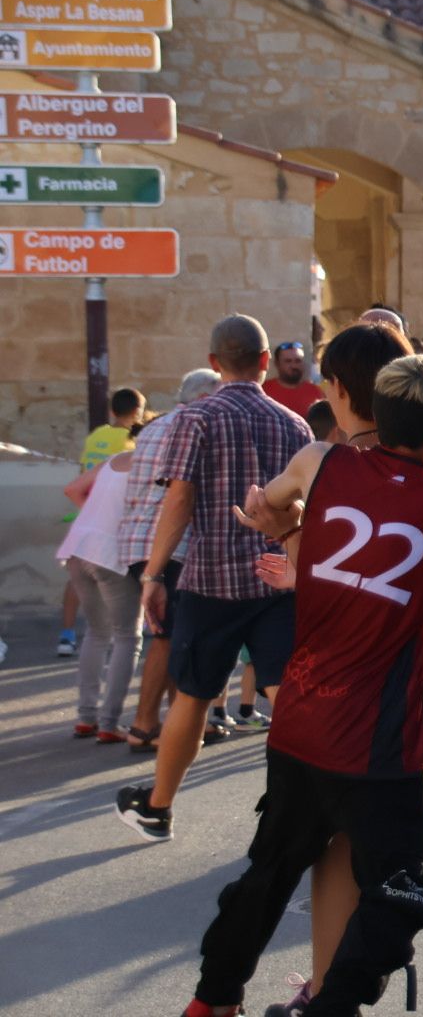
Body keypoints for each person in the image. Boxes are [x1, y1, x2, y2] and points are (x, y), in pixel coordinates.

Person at [176, 354, 423, 1017]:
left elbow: (268, 504)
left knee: (270, 870)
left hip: (302, 715)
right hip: (375, 736)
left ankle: (213, 999)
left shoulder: (321, 463)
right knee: (401, 893)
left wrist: (284, 523)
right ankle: (332, 1006)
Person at [115, 315, 313, 842]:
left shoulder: (195, 418)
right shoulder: (294, 425)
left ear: (213, 364)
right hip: (276, 578)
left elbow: (179, 498)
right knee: (283, 690)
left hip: (210, 580)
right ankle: (323, 799)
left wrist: (154, 575)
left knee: (196, 696)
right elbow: (303, 506)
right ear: (266, 361)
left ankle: (157, 808)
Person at [119, 368, 221, 754]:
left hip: (138, 540)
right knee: (167, 638)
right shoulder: (191, 425)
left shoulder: (155, 427)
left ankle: (182, 720)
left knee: (175, 636)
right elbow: (183, 493)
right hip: (168, 543)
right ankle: (145, 725)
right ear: (203, 396)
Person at [59, 434, 143, 744]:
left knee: (97, 632)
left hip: (79, 545)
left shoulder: (116, 459)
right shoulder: (154, 464)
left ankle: (86, 718)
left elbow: (72, 488)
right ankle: (109, 723)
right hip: (111, 553)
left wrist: (92, 517)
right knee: (127, 636)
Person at [64, 386, 147, 657]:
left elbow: (82, 472)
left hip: (84, 515)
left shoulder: (96, 435)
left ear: (112, 410)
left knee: (79, 579)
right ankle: (123, 630)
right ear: (137, 413)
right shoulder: (130, 442)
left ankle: (65, 634)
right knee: (120, 581)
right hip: (112, 520)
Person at [263, 341, 325, 416]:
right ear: (277, 364)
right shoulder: (264, 391)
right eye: (288, 361)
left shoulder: (315, 392)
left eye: (298, 361)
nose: (294, 366)